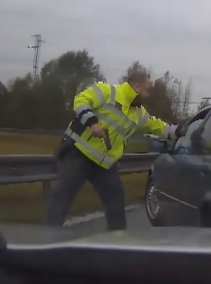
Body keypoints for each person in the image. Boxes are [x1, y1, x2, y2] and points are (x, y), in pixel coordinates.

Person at [44, 71, 184, 231]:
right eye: (147, 91)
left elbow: (159, 126)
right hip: (77, 154)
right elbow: (81, 100)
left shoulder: (139, 113)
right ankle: (48, 240)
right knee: (63, 197)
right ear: (137, 86)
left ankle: (117, 244)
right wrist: (92, 122)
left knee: (116, 204)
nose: (148, 95)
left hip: (104, 164)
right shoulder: (108, 92)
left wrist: (181, 131)